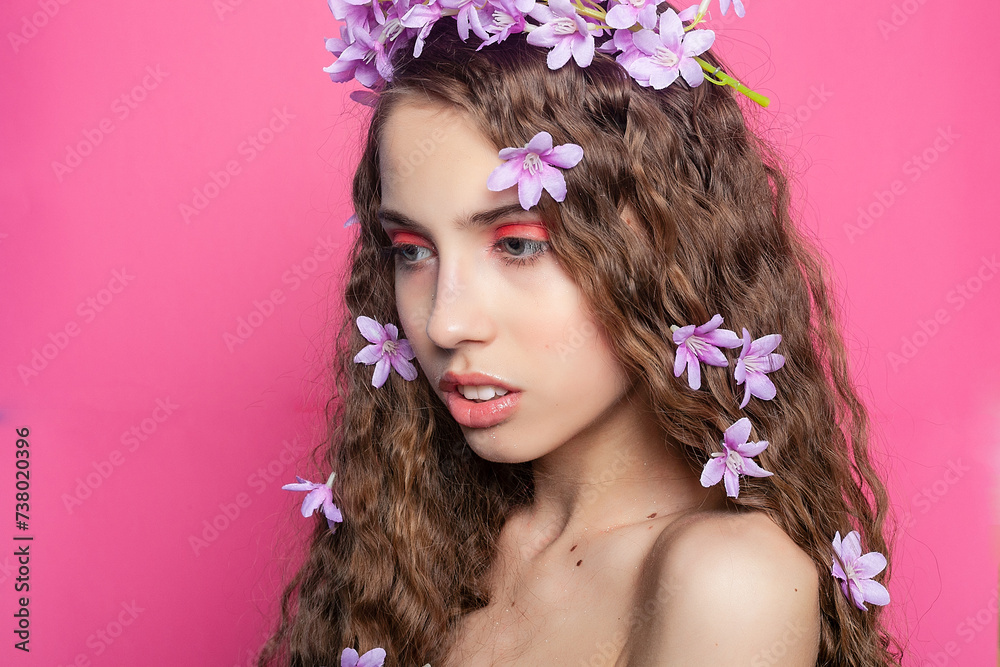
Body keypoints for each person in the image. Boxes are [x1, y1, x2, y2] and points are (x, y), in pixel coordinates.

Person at [260, 1, 899, 665]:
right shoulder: (418, 549)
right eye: (412, 250)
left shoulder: (724, 581)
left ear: (666, 247)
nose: (445, 322)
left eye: (517, 244)